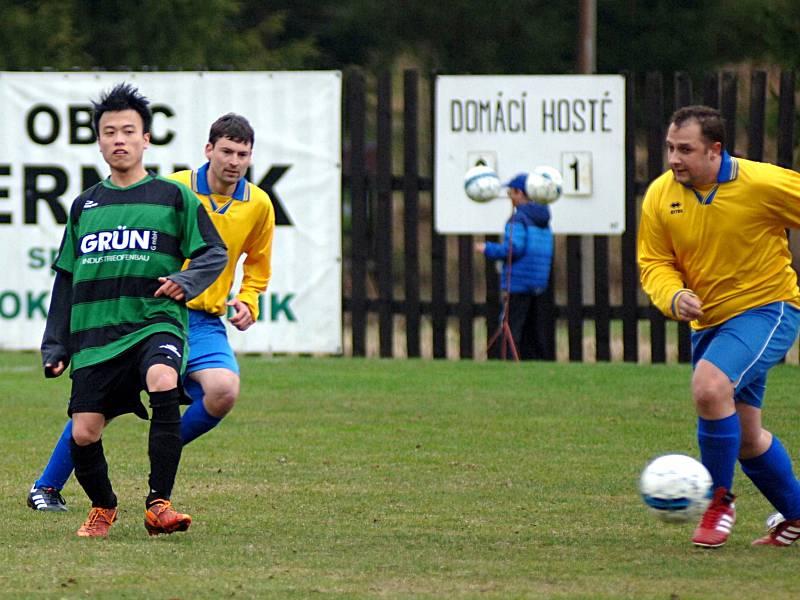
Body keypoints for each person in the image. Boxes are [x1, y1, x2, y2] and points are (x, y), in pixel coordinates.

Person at [28, 113, 275, 513]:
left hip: (205, 321)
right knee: (96, 407)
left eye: (242, 154)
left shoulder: (258, 204)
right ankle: (48, 485)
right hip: (150, 313)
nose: (233, 161)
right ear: (208, 150)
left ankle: (160, 454)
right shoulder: (171, 189)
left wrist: (249, 299)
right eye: (226, 151)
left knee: (223, 391)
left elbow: (257, 262)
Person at [40, 82, 228, 537]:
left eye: (128, 131)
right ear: (99, 141)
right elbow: (66, 276)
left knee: (163, 379)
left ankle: (158, 504)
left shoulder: (172, 197)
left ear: (146, 139)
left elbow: (213, 252)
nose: (118, 139)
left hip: (152, 320)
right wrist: (55, 343)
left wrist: (184, 282)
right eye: (109, 132)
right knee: (84, 432)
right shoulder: (85, 205)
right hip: (95, 334)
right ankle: (103, 506)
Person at [638, 105, 800, 548]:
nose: (674, 158)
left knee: (710, 387)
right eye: (670, 148)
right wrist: (673, 295)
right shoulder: (660, 195)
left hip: (769, 309)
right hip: (710, 324)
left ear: (715, 150)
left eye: (685, 149)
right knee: (747, 440)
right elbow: (654, 262)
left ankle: (718, 500)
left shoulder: (762, 183)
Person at [475, 173, 553, 359]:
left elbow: (514, 248)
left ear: (520, 193)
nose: (510, 198)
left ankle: (508, 359)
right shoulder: (543, 221)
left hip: (518, 281)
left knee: (512, 324)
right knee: (532, 327)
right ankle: (534, 360)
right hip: (538, 280)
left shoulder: (518, 219)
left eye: (511, 193)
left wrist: (488, 249)